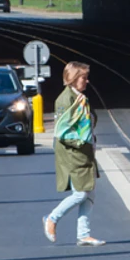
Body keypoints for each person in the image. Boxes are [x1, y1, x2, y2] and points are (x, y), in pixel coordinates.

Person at [43, 62, 105, 247]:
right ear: (72, 78)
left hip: (86, 152)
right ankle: (52, 218)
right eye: (83, 78)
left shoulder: (81, 98)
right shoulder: (65, 100)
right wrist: (80, 141)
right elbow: (63, 131)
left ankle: (83, 234)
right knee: (80, 193)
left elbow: (89, 120)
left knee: (90, 192)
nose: (86, 81)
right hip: (74, 153)